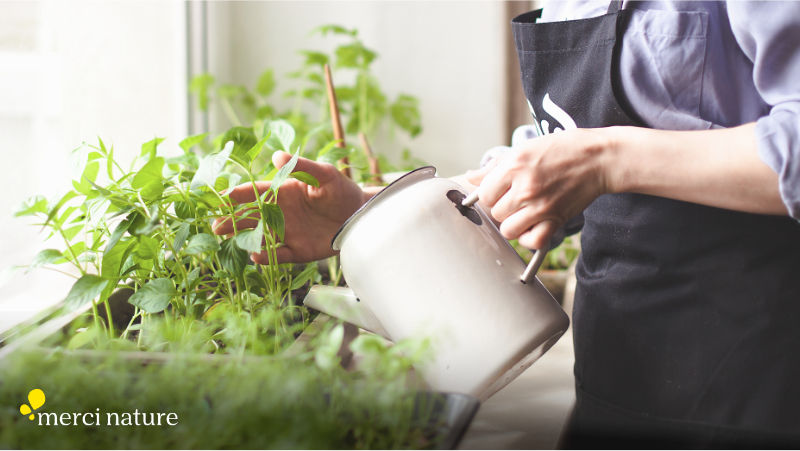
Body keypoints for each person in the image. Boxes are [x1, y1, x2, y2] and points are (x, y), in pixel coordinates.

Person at [214, 1, 800, 447]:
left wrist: (607, 158)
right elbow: (548, 161)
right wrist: (367, 213)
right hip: (621, 370)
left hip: (753, 373)